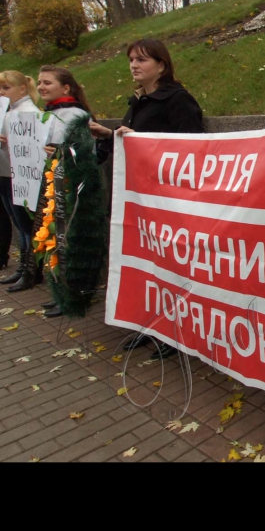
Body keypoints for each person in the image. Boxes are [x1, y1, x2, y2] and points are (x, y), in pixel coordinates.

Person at [90, 38, 204, 359]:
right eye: (130, 60)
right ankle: (151, 324)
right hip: (141, 203)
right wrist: (111, 135)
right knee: (149, 268)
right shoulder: (139, 101)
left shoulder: (177, 100)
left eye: (141, 60)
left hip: (169, 202)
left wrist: (140, 140)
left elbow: (192, 148)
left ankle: (175, 331)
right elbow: (134, 147)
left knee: (171, 268)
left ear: (162, 65)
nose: (134, 66)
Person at [16, 65, 96, 309]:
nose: (41, 87)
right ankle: (62, 293)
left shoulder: (75, 115)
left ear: (66, 87)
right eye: (39, 82)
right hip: (54, 187)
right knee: (55, 241)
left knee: (69, 243)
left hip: (72, 189)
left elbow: (86, 152)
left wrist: (61, 152)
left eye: (47, 82)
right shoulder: (49, 113)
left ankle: (74, 296)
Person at [0, 71, 42, 279]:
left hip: (18, 176)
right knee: (19, 224)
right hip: (7, 173)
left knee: (26, 225)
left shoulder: (28, 113)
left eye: (6, 88)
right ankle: (25, 267)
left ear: (22, 89)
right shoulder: (10, 111)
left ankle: (30, 269)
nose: (1, 93)